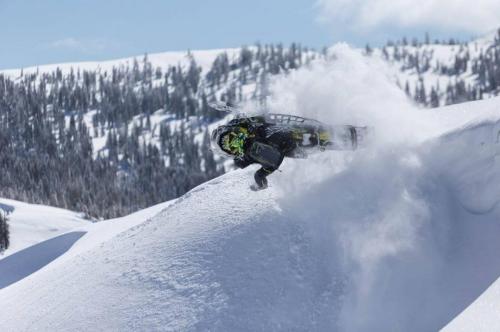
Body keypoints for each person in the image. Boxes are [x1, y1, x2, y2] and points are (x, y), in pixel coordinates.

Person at [211, 116, 312, 190]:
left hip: (286, 128)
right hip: (292, 142)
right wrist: (260, 176)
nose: (235, 142)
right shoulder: (250, 151)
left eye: (231, 138)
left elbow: (252, 119)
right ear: (229, 152)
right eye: (230, 146)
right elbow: (275, 159)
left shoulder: (241, 126)